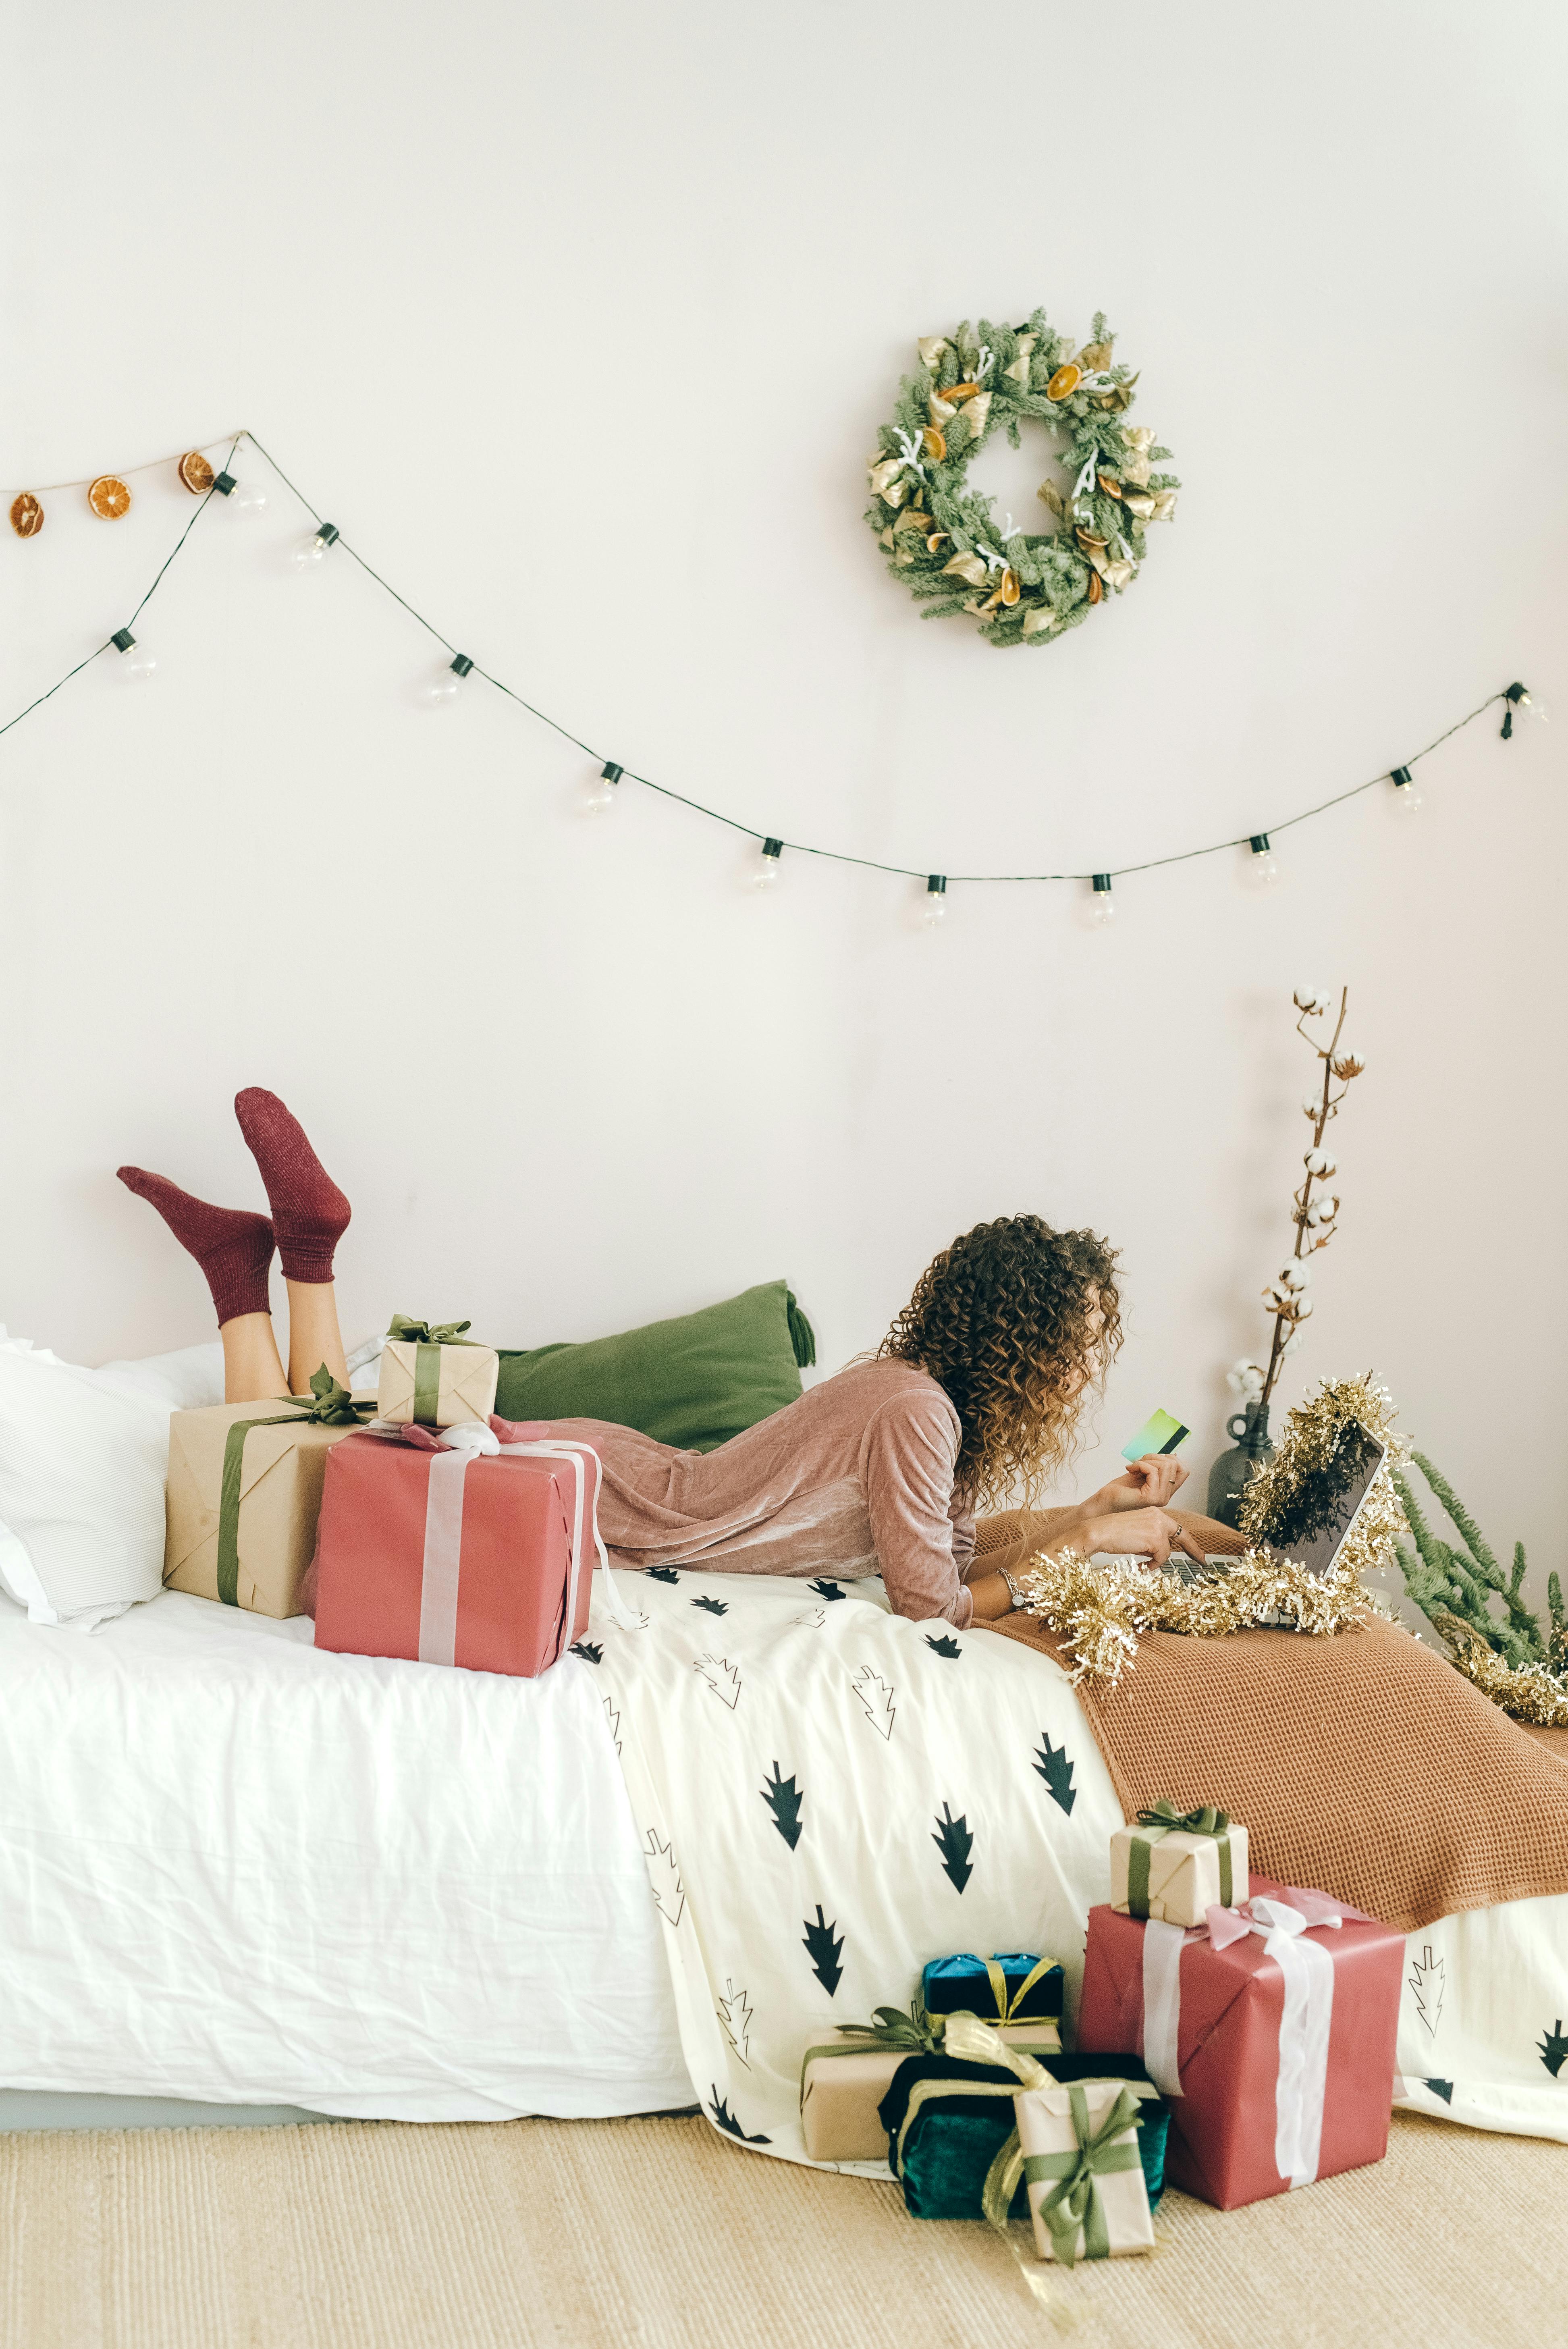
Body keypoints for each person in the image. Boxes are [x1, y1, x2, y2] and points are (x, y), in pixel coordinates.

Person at [119, 1091, 1208, 1628]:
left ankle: (257, 1263)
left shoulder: (922, 1407)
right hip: (610, 1504)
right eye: (1068, 1348)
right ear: (1016, 1342)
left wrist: (1085, 1517)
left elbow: (940, 1564)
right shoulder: (915, 1411)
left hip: (616, 1488)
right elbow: (932, 1609)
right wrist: (1097, 1539)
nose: (1075, 1375)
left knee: (319, 1476)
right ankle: (289, 1255)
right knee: (316, 1503)